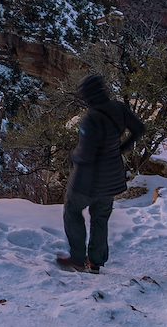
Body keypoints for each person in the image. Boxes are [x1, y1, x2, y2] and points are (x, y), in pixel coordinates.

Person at [56, 73, 145, 274]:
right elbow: (139, 129)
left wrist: (73, 156)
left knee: (72, 211)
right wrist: (120, 148)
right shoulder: (119, 109)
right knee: (100, 217)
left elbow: (85, 154)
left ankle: (78, 259)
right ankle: (95, 261)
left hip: (86, 180)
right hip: (112, 177)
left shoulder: (90, 119)